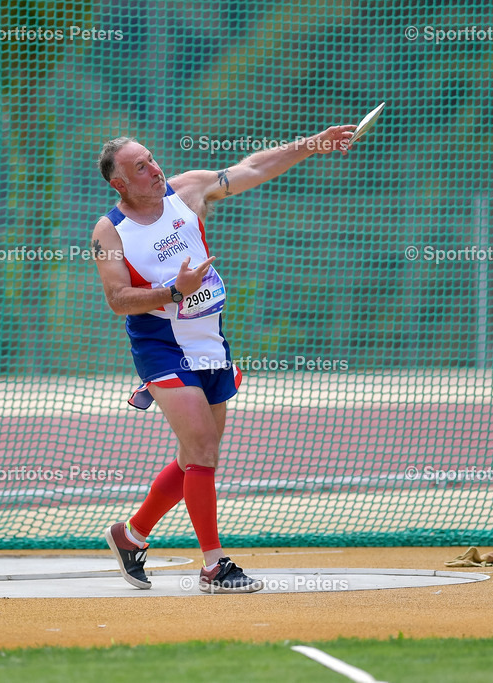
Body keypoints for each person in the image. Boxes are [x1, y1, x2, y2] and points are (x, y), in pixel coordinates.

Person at [93, 126, 354, 592]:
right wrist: (173, 292)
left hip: (210, 343)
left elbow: (255, 167)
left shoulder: (188, 190)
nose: (154, 169)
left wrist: (314, 143)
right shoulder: (110, 230)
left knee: (200, 455)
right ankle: (214, 566)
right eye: (140, 167)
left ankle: (130, 535)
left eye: (151, 159)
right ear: (120, 184)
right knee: (200, 449)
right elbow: (116, 298)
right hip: (161, 346)